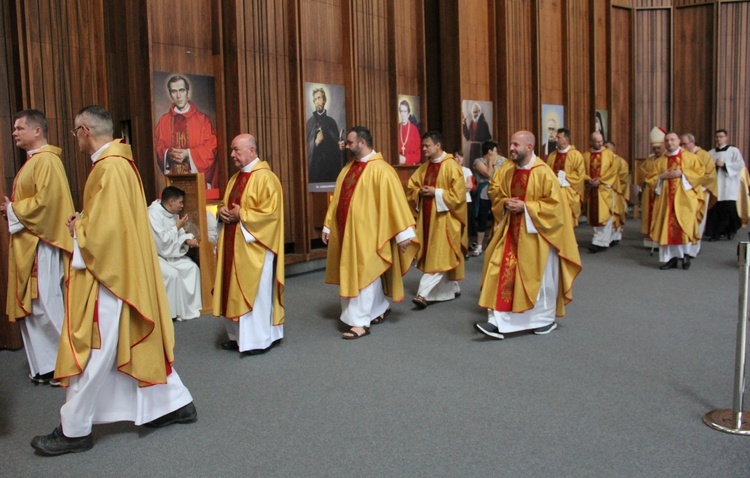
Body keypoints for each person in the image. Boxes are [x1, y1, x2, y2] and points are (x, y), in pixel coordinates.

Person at [31, 106, 196, 456]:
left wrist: (79, 227)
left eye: (76, 132)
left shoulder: (109, 168)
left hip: (110, 276)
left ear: (84, 130)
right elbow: (112, 220)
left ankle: (74, 429)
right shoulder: (120, 164)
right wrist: (87, 220)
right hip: (122, 269)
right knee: (125, 341)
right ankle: (174, 404)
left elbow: (104, 233)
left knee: (94, 349)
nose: (75, 140)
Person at [474, 131, 581, 340]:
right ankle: (497, 321)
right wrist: (505, 202)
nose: (511, 148)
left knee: (537, 282)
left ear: (529, 147)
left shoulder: (543, 172)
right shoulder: (507, 169)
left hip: (537, 235)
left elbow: (557, 209)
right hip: (510, 231)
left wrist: (527, 207)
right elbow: (497, 193)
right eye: (511, 144)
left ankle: (543, 320)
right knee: (498, 268)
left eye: (516, 145)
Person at [322, 126, 418, 339]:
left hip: (370, 235)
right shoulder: (348, 169)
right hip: (347, 232)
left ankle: (359, 323)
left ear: (362, 143)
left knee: (365, 274)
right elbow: (337, 199)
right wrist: (328, 225)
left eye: (349, 142)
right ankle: (378, 308)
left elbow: (396, 202)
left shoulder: (382, 170)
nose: (346, 146)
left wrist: (404, 234)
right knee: (362, 273)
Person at [1, 109, 74, 386]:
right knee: (34, 304)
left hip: (43, 243)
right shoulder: (34, 161)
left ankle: (67, 363)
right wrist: (13, 210)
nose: (14, 133)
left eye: (20, 128)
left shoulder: (47, 161)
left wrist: (13, 209)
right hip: (31, 240)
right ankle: (47, 365)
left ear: (37, 131)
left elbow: (47, 204)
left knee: (46, 302)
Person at [213, 134, 285, 355]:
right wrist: (222, 211)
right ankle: (238, 337)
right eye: (232, 150)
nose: (232, 154)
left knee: (256, 292)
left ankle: (259, 339)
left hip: (255, 248)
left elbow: (271, 215)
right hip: (233, 245)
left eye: (236, 150)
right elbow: (227, 204)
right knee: (232, 290)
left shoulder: (267, 178)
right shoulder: (235, 178)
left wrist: (240, 214)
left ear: (252, 150)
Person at [407, 131, 467, 309]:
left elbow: (459, 197)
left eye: (427, 146)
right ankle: (452, 287)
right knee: (442, 255)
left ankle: (423, 294)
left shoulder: (451, 166)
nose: (424, 149)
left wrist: (436, 193)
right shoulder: (425, 167)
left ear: (438, 145)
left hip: (445, 220)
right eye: (423, 146)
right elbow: (412, 186)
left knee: (439, 254)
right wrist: (420, 192)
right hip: (428, 219)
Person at [647, 132, 704, 270]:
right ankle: (670, 259)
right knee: (666, 227)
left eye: (672, 140)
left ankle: (685, 256)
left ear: (679, 141)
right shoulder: (660, 161)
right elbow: (650, 179)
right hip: (666, 200)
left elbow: (700, 175)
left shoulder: (690, 158)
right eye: (667, 140)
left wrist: (683, 173)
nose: (669, 143)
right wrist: (661, 176)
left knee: (684, 226)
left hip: (685, 199)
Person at [148, 186, 202, 321]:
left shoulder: (171, 213)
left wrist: (188, 240)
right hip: (155, 256)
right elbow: (161, 242)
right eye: (181, 202)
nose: (182, 206)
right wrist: (176, 227)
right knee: (173, 275)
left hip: (169, 254)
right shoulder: (153, 214)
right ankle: (170, 315)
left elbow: (180, 233)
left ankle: (190, 309)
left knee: (192, 268)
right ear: (171, 202)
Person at [154, 75, 219, 189]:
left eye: (181, 90)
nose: (178, 96)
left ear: (188, 93)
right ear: (170, 95)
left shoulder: (202, 120)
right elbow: (158, 146)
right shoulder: (164, 121)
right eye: (174, 91)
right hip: (174, 183)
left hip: (196, 182)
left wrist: (188, 154)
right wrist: (167, 153)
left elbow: (211, 148)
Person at [679, 133, 717, 256]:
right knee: (686, 219)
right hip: (684, 192)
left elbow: (709, 176)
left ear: (692, 143)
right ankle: (683, 246)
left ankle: (693, 249)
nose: (683, 146)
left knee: (698, 219)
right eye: (681, 144)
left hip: (700, 191)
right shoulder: (682, 156)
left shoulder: (704, 155)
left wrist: (692, 182)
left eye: (684, 144)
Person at [705, 129, 746, 241]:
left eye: (721, 137)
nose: (719, 139)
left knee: (730, 209)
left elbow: (740, 165)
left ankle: (732, 229)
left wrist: (724, 165)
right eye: (717, 137)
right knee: (717, 211)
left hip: (729, 184)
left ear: (726, 138)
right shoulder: (710, 153)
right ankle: (716, 233)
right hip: (717, 184)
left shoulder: (733, 151)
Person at [584, 131, 619, 253]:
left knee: (604, 215)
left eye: (601, 140)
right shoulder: (586, 155)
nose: (600, 143)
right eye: (597, 141)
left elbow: (613, 171)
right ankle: (599, 240)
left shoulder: (609, 154)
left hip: (604, 190)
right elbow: (582, 170)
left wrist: (601, 181)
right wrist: (588, 179)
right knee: (594, 215)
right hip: (592, 189)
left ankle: (601, 241)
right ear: (591, 142)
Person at [546, 128, 586, 226]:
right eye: (556, 137)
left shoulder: (576, 155)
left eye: (559, 137)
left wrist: (564, 177)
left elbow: (580, 176)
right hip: (554, 192)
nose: (556, 140)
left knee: (567, 221)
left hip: (568, 193)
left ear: (566, 140)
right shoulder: (552, 156)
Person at [306, 87, 344, 184]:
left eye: (319, 98)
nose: (317, 101)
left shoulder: (331, 122)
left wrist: (341, 145)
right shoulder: (309, 123)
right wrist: (316, 143)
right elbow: (305, 148)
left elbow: (338, 143)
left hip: (330, 169)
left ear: (324, 100)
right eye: (315, 99)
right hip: (316, 171)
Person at [640, 127, 666, 248]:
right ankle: (650, 241)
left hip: (662, 192)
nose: (656, 150)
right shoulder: (649, 159)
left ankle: (660, 240)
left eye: (658, 148)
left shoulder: (667, 160)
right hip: (649, 191)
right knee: (648, 214)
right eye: (654, 148)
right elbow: (643, 173)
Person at [472, 140, 498, 256]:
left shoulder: (501, 161)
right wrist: (491, 162)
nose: (497, 154)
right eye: (495, 151)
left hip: (497, 193)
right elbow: (488, 174)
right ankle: (479, 246)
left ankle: (495, 245)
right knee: (482, 220)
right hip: (483, 194)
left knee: (497, 219)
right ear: (489, 151)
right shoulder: (478, 161)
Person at [605, 141, 630, 244]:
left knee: (616, 214)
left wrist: (614, 185)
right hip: (604, 192)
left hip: (616, 191)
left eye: (607, 147)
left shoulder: (620, 162)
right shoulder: (603, 160)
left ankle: (616, 236)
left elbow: (623, 179)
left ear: (614, 149)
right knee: (606, 215)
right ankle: (608, 237)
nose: (605, 149)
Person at [455, 151, 476, 256]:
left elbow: (470, 186)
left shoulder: (466, 170)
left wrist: (458, 186)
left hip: (467, 200)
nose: (459, 159)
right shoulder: (452, 170)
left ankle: (465, 249)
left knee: (466, 227)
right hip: (455, 201)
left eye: (461, 156)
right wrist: (463, 186)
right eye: (456, 157)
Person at [397, 99, 421, 166]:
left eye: (405, 111)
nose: (403, 114)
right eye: (401, 111)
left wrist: (406, 159)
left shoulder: (414, 129)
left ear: (408, 113)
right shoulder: (397, 128)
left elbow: (418, 155)